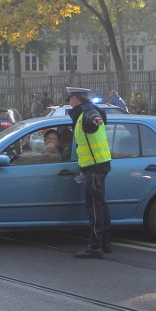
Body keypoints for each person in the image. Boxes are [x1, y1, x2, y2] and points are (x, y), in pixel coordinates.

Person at [67, 86, 112, 259]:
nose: (70, 102)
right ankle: (105, 243)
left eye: (70, 99)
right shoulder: (84, 113)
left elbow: (93, 119)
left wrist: (95, 119)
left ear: (76, 99)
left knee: (94, 208)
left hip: (94, 168)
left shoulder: (88, 113)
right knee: (100, 205)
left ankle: (95, 247)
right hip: (98, 166)